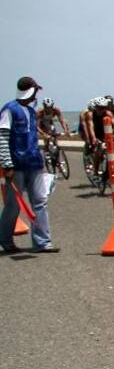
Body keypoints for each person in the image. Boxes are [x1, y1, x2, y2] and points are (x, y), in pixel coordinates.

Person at [0, 77, 57, 252]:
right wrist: (7, 164)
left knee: (40, 201)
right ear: (31, 91)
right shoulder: (10, 110)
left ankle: (42, 242)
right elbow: (2, 137)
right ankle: (6, 241)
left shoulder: (32, 112)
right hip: (15, 166)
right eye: (35, 91)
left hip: (34, 164)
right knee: (13, 205)